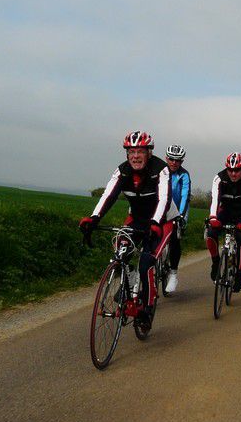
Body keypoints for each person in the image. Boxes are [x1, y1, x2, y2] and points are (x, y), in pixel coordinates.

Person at [78, 130, 174, 331]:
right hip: (137, 219)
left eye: (140, 151)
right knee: (120, 249)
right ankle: (128, 282)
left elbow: (164, 199)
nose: (135, 156)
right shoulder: (122, 171)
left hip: (162, 220)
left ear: (149, 153)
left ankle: (147, 309)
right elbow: (108, 195)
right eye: (131, 152)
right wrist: (94, 218)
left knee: (146, 262)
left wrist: (155, 222)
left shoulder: (161, 169)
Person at [205, 152, 241, 292]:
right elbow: (215, 199)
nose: (233, 174)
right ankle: (216, 262)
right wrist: (213, 218)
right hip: (226, 210)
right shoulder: (219, 178)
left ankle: (239, 275)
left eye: (237, 170)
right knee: (211, 233)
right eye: (230, 170)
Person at [151, 144, 191, 293]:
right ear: (166, 158)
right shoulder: (159, 172)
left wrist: (180, 215)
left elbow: (185, 195)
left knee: (175, 238)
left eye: (178, 160)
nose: (174, 162)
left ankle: (173, 273)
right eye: (171, 159)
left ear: (182, 161)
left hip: (178, 210)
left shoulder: (184, 175)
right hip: (161, 208)